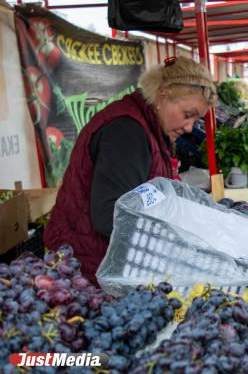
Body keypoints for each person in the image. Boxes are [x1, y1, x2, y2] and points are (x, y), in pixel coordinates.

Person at [44, 56, 217, 284]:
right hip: (89, 269)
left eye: (196, 119)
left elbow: (145, 194)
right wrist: (175, 238)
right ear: (163, 95)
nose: (189, 127)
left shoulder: (149, 126)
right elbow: (111, 216)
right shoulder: (127, 133)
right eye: (188, 114)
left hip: (105, 262)